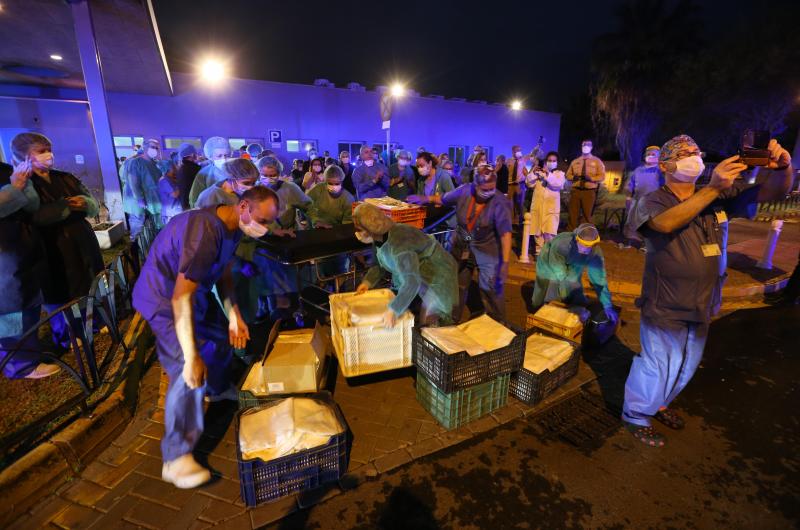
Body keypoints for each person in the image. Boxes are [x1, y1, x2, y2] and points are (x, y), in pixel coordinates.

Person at [621, 135, 793, 448]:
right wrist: (713, 188)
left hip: (704, 301)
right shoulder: (654, 200)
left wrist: (783, 168)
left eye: (697, 151)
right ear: (665, 165)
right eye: (685, 153)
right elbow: (664, 225)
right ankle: (635, 414)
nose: (694, 156)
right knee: (657, 362)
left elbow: (774, 191)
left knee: (686, 363)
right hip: (665, 304)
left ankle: (660, 403)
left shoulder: (718, 197)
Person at [132, 186, 279, 488]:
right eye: (262, 220)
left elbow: (223, 275)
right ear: (243, 207)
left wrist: (234, 316)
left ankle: (218, 386)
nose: (265, 228)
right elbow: (179, 299)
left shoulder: (233, 227)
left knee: (220, 339)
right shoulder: (204, 232)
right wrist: (190, 356)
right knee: (187, 374)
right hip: (166, 301)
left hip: (193, 295)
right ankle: (176, 458)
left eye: (270, 222)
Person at [17, 133, 104, 349]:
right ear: (25, 155)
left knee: (88, 280)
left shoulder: (65, 178)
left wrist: (84, 203)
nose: (48, 155)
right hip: (51, 246)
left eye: (48, 149)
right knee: (59, 289)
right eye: (41, 151)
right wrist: (65, 207)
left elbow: (92, 203)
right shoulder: (23, 185)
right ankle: (66, 334)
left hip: (81, 239)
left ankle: (93, 322)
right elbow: (35, 215)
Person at [0, 158, 59, 379]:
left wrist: (26, 185)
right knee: (10, 311)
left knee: (27, 304)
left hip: (19, 250)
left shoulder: (6, 170)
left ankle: (29, 353)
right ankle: (18, 365)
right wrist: (14, 188)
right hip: (4, 258)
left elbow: (31, 207)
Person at [354, 203, 458, 326]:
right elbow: (379, 265)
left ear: (370, 229)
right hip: (418, 274)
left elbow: (412, 281)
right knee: (422, 312)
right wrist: (367, 282)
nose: (357, 234)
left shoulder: (399, 241)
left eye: (360, 230)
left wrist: (394, 309)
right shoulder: (378, 238)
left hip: (437, 274)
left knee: (434, 322)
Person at [440, 165, 512, 321]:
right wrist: (425, 199)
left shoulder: (500, 202)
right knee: (458, 285)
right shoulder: (465, 190)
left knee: (491, 290)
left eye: (492, 188)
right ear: (475, 185)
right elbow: (443, 199)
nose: (489, 193)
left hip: (487, 250)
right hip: (462, 246)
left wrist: (505, 263)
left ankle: (498, 326)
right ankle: (451, 320)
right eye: (484, 189)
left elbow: (505, 234)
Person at [531, 223, 615, 322]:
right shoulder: (562, 245)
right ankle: (540, 313)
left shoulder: (595, 253)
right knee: (549, 287)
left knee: (574, 286)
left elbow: (599, 280)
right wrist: (563, 301)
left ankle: (572, 310)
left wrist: (607, 305)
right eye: (583, 245)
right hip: (549, 259)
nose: (585, 249)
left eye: (589, 246)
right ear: (576, 240)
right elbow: (560, 274)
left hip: (573, 261)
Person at [622, 145, 664, 249]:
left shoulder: (660, 171)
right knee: (633, 222)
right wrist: (628, 197)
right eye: (648, 154)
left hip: (652, 203)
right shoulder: (638, 170)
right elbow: (630, 185)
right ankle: (632, 242)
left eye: (653, 154)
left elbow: (665, 186)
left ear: (658, 157)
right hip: (636, 201)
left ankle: (647, 245)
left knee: (648, 224)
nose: (650, 156)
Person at [120, 138, 162, 237]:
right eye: (152, 147)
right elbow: (133, 182)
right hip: (137, 202)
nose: (155, 149)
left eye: (157, 148)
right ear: (145, 147)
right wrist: (140, 198)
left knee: (150, 230)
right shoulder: (135, 162)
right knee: (138, 228)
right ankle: (135, 249)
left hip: (151, 201)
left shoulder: (154, 164)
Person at [528, 151, 566, 257]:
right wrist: (534, 173)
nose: (551, 162)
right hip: (538, 207)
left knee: (550, 232)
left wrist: (547, 175)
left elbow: (557, 184)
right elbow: (528, 183)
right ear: (545, 161)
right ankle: (539, 253)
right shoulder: (539, 173)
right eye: (549, 160)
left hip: (551, 209)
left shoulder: (559, 174)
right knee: (537, 231)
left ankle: (550, 254)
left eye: (554, 161)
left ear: (557, 162)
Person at [565, 139, 606, 230]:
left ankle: (585, 235)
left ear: (591, 147)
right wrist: (573, 178)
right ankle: (569, 235)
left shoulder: (597, 161)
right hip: (575, 191)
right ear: (581, 146)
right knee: (572, 215)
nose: (585, 147)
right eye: (584, 145)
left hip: (589, 192)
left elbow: (602, 176)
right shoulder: (575, 161)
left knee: (587, 215)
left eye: (588, 145)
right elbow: (568, 175)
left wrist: (591, 179)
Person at [188, 136, 231, 207]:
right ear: (210, 156)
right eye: (219, 156)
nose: (224, 159)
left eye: (226, 155)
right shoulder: (204, 173)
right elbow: (194, 198)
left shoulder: (234, 170)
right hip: (210, 212)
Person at [506, 145, 529, 224]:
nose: (519, 152)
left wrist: (539, 145)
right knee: (510, 204)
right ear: (513, 152)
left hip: (520, 184)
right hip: (510, 185)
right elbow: (506, 173)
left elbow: (532, 153)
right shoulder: (508, 161)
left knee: (520, 203)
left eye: (520, 150)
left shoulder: (523, 160)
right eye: (517, 150)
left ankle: (520, 219)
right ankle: (512, 222)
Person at [175, 143, 200, 210]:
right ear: (192, 154)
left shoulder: (181, 168)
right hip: (193, 203)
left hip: (184, 202)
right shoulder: (194, 168)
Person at [157, 160, 183, 226]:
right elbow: (175, 194)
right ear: (169, 169)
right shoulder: (165, 180)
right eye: (173, 167)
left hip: (174, 210)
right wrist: (184, 184)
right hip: (171, 212)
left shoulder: (169, 179)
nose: (175, 168)